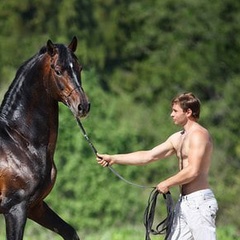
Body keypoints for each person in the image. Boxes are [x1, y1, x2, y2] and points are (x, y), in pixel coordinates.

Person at [97, 92, 218, 240]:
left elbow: (193, 171)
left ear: (188, 112)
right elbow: (148, 156)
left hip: (199, 202)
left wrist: (167, 183)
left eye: (175, 111)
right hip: (184, 202)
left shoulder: (199, 135)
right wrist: (113, 158)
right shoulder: (178, 137)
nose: (171, 115)